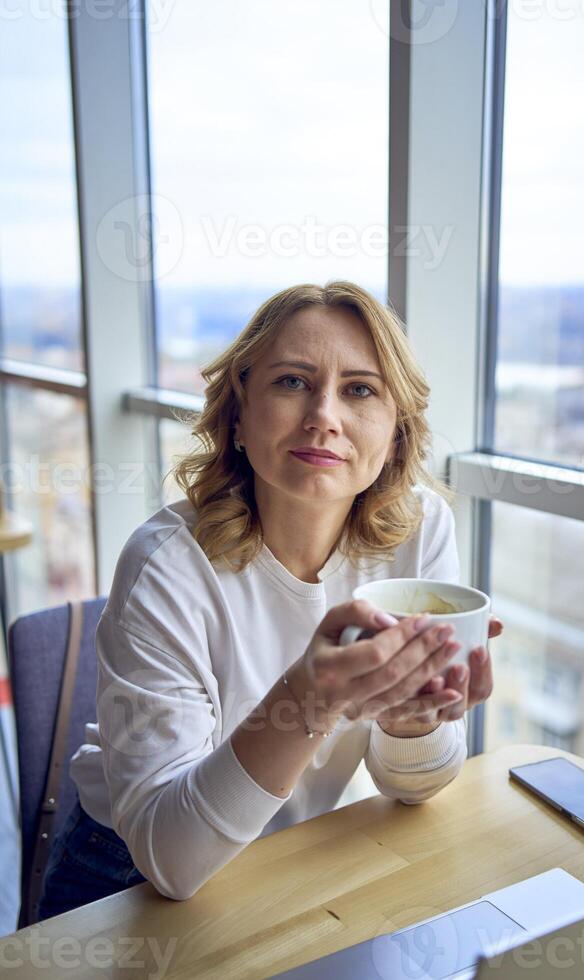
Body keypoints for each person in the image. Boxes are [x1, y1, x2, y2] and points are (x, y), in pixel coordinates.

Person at [37, 281, 502, 921]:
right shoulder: (165, 566)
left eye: (360, 389)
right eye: (291, 382)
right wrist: (309, 698)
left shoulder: (420, 532)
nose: (324, 416)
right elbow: (171, 862)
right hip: (127, 869)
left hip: (295, 854)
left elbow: (413, 784)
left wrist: (413, 719)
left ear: (396, 430)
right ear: (237, 414)